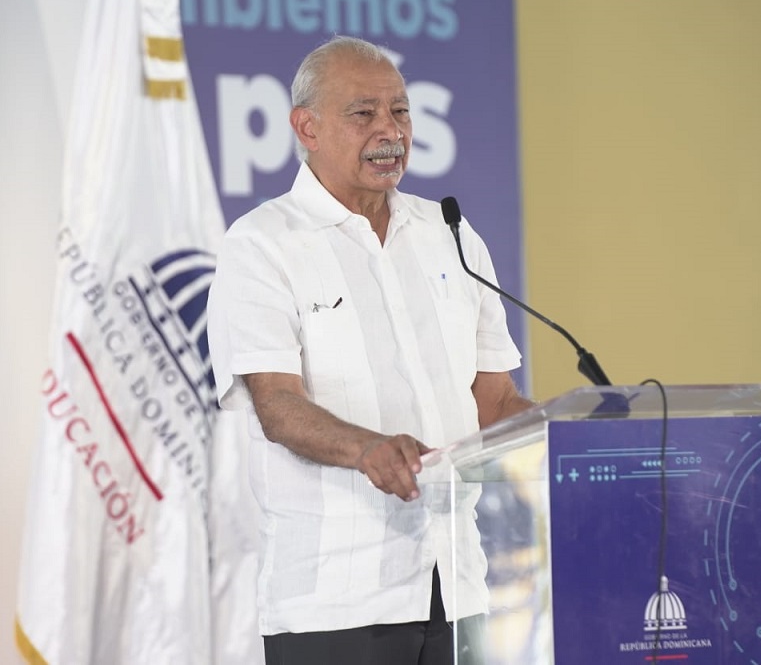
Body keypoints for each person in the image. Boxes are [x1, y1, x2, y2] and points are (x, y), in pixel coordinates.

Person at [206, 35, 534, 665]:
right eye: (364, 113)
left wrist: (569, 439)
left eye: (401, 111)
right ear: (307, 126)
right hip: (337, 602)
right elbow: (276, 406)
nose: (390, 130)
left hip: (457, 591)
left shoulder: (451, 234)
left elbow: (493, 399)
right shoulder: (262, 245)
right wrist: (367, 449)